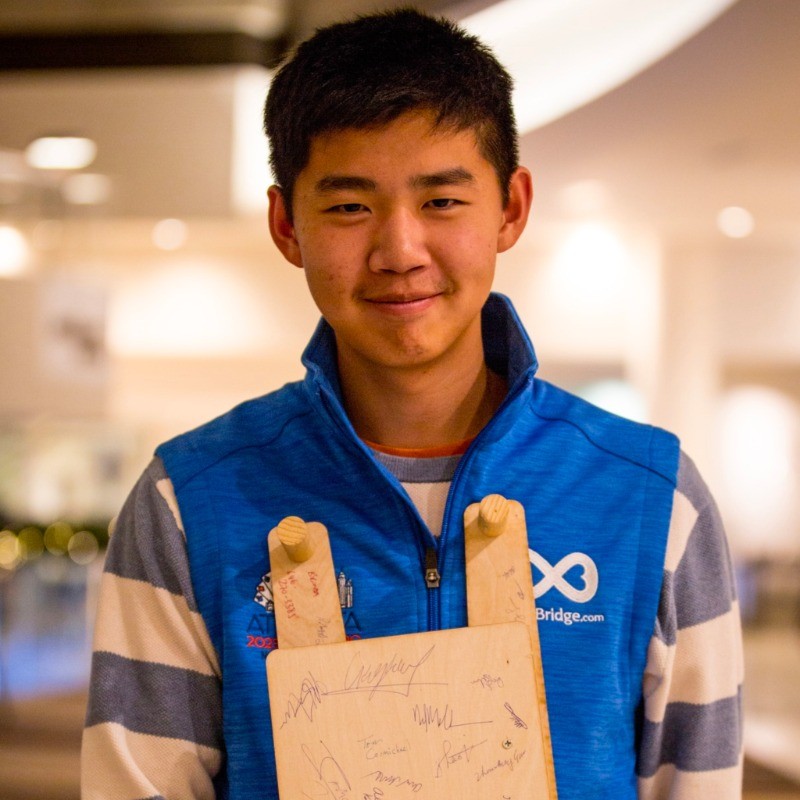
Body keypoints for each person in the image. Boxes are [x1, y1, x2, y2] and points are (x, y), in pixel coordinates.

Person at [81, 8, 743, 799]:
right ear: (286, 224)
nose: (399, 251)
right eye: (351, 206)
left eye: (441, 201)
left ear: (511, 208)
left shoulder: (653, 500)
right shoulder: (186, 504)